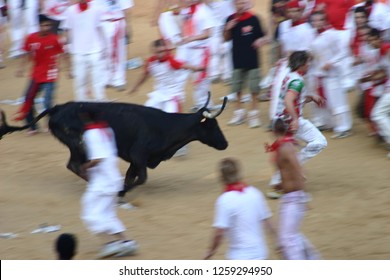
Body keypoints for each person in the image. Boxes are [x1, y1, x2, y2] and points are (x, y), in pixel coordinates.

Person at [80, 107, 138, 259]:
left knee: (90, 213)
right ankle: (127, 242)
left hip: (102, 182)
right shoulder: (107, 130)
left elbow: (98, 158)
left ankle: (110, 244)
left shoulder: (90, 133)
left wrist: (84, 168)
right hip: (113, 179)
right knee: (108, 214)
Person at [268, 51, 327, 198]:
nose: (309, 65)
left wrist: (310, 97)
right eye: (307, 63)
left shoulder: (290, 77)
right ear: (301, 65)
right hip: (289, 120)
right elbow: (289, 100)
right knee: (319, 142)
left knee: (284, 151)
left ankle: (277, 184)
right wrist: (294, 119)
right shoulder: (297, 81)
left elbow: (293, 98)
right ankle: (294, 169)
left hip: (280, 120)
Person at [266, 118, 320, 260]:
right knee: (290, 234)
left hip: (294, 198)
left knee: (287, 238)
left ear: (273, 131)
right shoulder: (284, 147)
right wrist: (281, 185)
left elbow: (299, 171)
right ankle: (313, 259)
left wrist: (304, 195)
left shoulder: (286, 148)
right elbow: (292, 171)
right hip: (290, 197)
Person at [204, 158, 277, 260]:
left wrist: (211, 251)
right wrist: (279, 242)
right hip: (260, 252)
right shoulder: (254, 193)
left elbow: (219, 232)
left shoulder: (225, 200)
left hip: (240, 256)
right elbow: (269, 222)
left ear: (222, 177)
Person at [13, 14, 64, 134]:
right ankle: (32, 125)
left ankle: (51, 124)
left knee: (47, 101)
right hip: (36, 75)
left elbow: (62, 53)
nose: (47, 28)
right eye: (44, 25)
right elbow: (26, 54)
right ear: (39, 26)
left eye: (49, 25)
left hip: (50, 75)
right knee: (28, 99)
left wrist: (66, 67)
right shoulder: (30, 38)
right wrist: (21, 68)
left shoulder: (54, 38)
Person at [129, 39, 204, 113]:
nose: (162, 54)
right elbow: (145, 75)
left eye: (163, 51)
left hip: (173, 96)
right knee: (146, 113)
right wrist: (136, 87)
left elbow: (184, 65)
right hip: (159, 93)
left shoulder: (170, 60)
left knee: (172, 118)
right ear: (153, 52)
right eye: (158, 52)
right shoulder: (150, 62)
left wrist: (196, 68)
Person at [309, 11, 353, 138]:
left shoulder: (332, 34)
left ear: (325, 21)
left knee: (337, 101)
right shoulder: (313, 35)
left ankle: (344, 127)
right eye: (314, 20)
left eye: (319, 20)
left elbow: (344, 51)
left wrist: (331, 62)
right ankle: (331, 123)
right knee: (324, 101)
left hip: (332, 74)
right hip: (319, 74)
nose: (316, 23)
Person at [224, 0, 266, 128]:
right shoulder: (230, 19)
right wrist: (228, 28)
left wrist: (260, 41)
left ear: (247, 4)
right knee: (237, 88)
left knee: (254, 88)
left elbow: (262, 36)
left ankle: (254, 114)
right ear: (234, 5)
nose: (240, 6)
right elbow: (225, 38)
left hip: (253, 59)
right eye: (238, 3)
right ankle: (239, 113)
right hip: (237, 59)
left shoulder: (254, 19)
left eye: (243, 3)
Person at [61, 0, 108, 101]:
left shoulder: (96, 9)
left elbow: (100, 28)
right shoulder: (70, 11)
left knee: (97, 79)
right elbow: (67, 29)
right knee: (80, 80)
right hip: (78, 52)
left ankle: (100, 101)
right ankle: (81, 103)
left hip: (95, 50)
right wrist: (66, 48)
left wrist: (104, 47)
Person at [96, 0, 134, 91]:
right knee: (102, 51)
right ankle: (105, 78)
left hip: (116, 22)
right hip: (100, 23)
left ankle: (119, 79)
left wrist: (128, 25)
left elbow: (127, 8)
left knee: (118, 53)